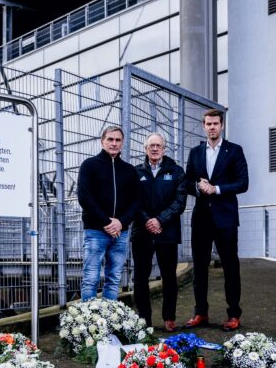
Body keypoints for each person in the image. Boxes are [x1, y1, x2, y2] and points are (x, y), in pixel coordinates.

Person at [184, 108, 249, 331]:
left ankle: (233, 314)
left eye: (215, 124)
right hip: (201, 218)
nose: (212, 127)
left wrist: (217, 188)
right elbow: (186, 182)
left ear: (222, 126)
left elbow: (243, 183)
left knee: (230, 267)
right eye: (208, 124)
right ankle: (201, 313)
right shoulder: (195, 153)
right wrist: (198, 187)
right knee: (199, 268)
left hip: (226, 218)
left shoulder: (234, 151)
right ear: (203, 126)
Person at [132, 133, 187, 332]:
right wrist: (147, 220)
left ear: (164, 148)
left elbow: (179, 202)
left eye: (158, 145)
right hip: (142, 232)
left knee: (169, 277)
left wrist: (160, 220)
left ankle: (169, 318)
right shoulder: (136, 172)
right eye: (151, 145)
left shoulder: (176, 171)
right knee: (140, 278)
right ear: (145, 148)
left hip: (168, 232)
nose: (155, 149)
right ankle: (144, 319)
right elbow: (134, 202)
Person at [77, 126, 140, 301]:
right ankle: (89, 324)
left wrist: (121, 222)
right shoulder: (89, 165)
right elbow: (85, 197)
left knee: (113, 280)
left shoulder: (129, 170)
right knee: (90, 279)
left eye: (117, 140)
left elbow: (136, 201)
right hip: (96, 231)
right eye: (110, 139)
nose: (114, 143)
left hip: (121, 232)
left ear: (122, 143)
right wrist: (106, 221)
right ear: (102, 141)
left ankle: (109, 322)